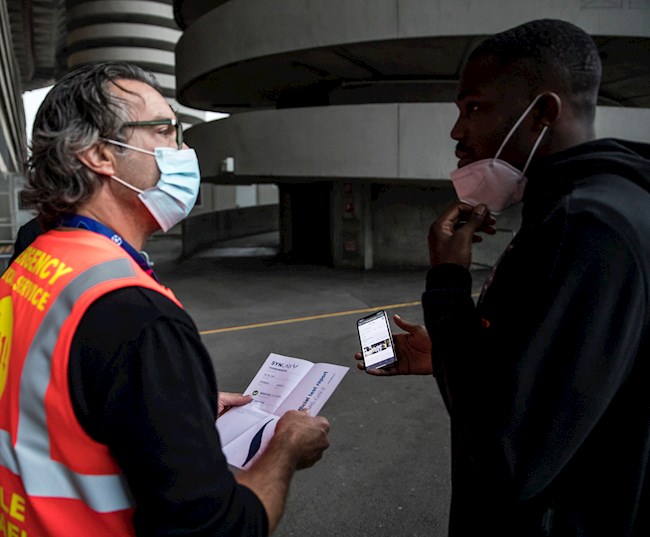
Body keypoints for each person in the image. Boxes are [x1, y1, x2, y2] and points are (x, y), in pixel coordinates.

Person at [0, 62, 330, 536]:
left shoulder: (33, 264)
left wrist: (168, 403)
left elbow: (52, 398)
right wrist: (285, 447)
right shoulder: (138, 318)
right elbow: (218, 528)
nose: (184, 151)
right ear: (99, 155)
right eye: (165, 130)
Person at [356, 19, 649, 536]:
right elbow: (556, 378)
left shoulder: (585, 226)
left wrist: (447, 281)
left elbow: (506, 456)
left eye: (474, 108)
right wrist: (447, 350)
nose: (457, 132)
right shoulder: (584, 209)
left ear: (542, 114)